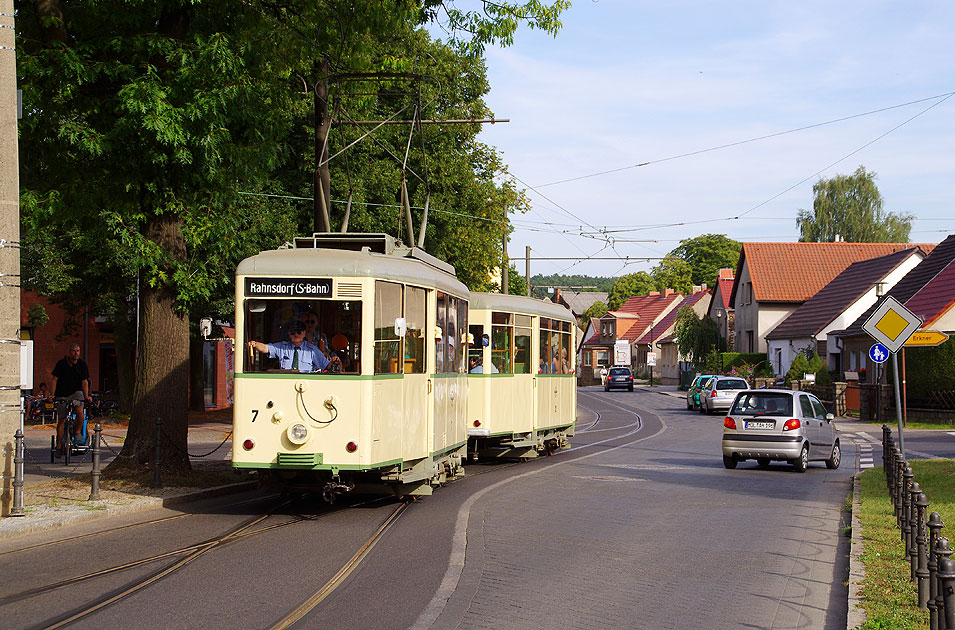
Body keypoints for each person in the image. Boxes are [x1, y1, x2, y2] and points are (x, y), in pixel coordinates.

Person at [48, 344, 92, 455]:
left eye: (78, 351)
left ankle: (77, 431)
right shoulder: (61, 364)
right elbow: (54, 379)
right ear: (69, 352)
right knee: (61, 419)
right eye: (73, 351)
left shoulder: (82, 365)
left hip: (76, 392)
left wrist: (86, 396)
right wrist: (52, 394)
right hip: (62, 393)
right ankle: (59, 446)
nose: (76, 353)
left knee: (80, 411)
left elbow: (84, 381)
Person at [248, 320, 339, 372]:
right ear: (289, 334)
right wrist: (255, 344)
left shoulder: (312, 350)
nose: (296, 335)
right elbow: (265, 348)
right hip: (285, 384)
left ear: (304, 333)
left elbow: (326, 366)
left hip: (306, 385)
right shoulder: (282, 347)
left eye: (299, 332)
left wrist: (334, 361)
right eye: (293, 332)